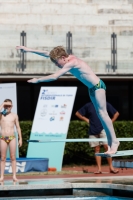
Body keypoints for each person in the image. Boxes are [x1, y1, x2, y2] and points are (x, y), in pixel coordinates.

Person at [16, 45, 119, 154]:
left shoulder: (72, 62)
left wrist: (38, 80)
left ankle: (115, 142)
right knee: (100, 115)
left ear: (63, 58)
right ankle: (111, 141)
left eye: (57, 62)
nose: (56, 65)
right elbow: (47, 53)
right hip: (92, 89)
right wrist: (29, 50)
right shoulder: (66, 57)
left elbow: (55, 76)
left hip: (98, 86)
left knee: (103, 114)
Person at [75, 102, 119, 174]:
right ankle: (99, 169)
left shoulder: (104, 104)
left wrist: (109, 123)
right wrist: (87, 120)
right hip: (93, 130)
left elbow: (116, 113)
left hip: (104, 129)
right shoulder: (88, 105)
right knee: (96, 149)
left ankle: (111, 168)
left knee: (107, 147)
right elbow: (77, 113)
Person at [0, 99, 22, 182]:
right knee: (3, 158)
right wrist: (3, 104)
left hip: (12, 137)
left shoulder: (14, 115)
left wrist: (20, 138)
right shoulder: (1, 115)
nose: (7, 107)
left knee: (13, 157)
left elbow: (18, 127)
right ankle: (1, 176)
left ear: (12, 106)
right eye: (6, 105)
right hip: (3, 138)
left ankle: (14, 176)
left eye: (9, 106)